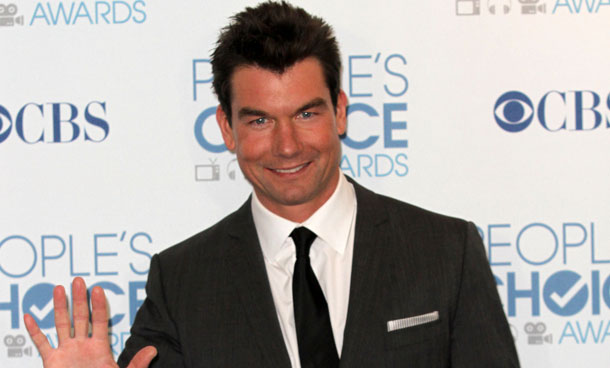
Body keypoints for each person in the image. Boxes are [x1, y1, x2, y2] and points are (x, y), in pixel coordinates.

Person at [24, 1, 520, 367]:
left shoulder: (445, 252)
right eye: (259, 120)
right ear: (226, 128)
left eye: (306, 113)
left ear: (340, 111)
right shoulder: (181, 282)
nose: (287, 146)